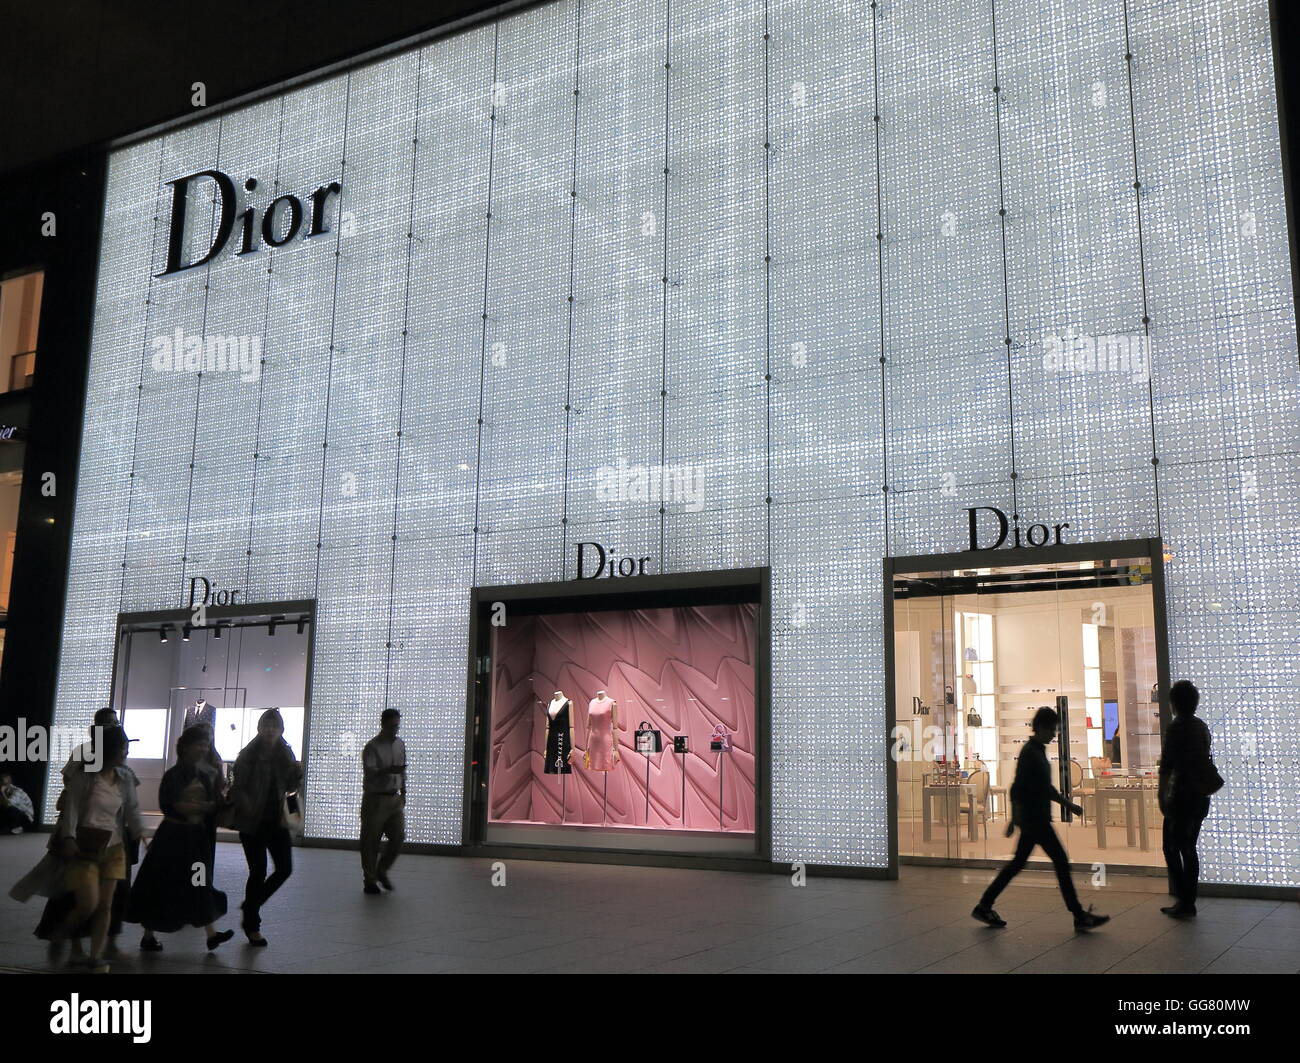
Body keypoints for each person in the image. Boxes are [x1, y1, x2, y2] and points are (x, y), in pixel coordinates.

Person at [972, 707, 1110, 931]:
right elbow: (1024, 788)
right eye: (1053, 729)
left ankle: (985, 904)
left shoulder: (1035, 750)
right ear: (1043, 727)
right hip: (1035, 819)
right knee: (1059, 862)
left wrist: (1064, 806)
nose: (1054, 735)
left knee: (1019, 864)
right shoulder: (1031, 752)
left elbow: (1036, 787)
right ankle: (1078, 915)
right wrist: (1066, 805)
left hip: (1033, 819)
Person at [36, 710, 141, 957]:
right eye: (108, 723)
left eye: (115, 723)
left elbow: (129, 801)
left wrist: (135, 829)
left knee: (113, 891)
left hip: (113, 833)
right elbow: (70, 795)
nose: (112, 726)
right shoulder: (84, 757)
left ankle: (104, 941)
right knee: (77, 892)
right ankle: (73, 940)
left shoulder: (120, 765)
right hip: (84, 832)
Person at [127, 726, 234, 951]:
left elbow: (204, 804)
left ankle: (210, 934)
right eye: (199, 744)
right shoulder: (174, 775)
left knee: (198, 883)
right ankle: (149, 934)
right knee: (163, 884)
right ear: (185, 746)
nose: (203, 749)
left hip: (192, 837)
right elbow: (173, 805)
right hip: (174, 838)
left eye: (205, 744)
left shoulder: (203, 774)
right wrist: (206, 806)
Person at [228, 709, 302, 945]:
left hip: (277, 820)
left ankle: (251, 905)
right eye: (266, 726)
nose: (270, 730)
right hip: (253, 821)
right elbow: (238, 786)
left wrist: (297, 776)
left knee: (284, 869)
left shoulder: (286, 753)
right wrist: (246, 802)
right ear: (259, 729)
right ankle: (252, 926)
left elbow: (291, 787)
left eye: (275, 726)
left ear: (281, 730)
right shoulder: (248, 755)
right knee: (258, 871)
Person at [1159, 679, 1218, 918]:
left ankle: (1184, 900)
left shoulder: (1177, 727)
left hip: (1181, 796)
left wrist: (1161, 794)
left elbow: (1167, 765)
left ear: (1174, 703)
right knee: (1189, 847)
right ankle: (1188, 900)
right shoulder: (1201, 726)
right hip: (1200, 796)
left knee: (1171, 847)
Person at [360, 709, 406, 894]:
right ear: (383, 724)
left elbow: (403, 771)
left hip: (394, 798)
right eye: (392, 725)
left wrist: (404, 792)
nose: (395, 729)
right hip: (375, 799)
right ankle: (369, 880)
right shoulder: (372, 746)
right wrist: (388, 770)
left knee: (398, 836)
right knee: (371, 841)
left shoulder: (400, 744)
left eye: (397, 725)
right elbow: (369, 771)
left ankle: (382, 869)